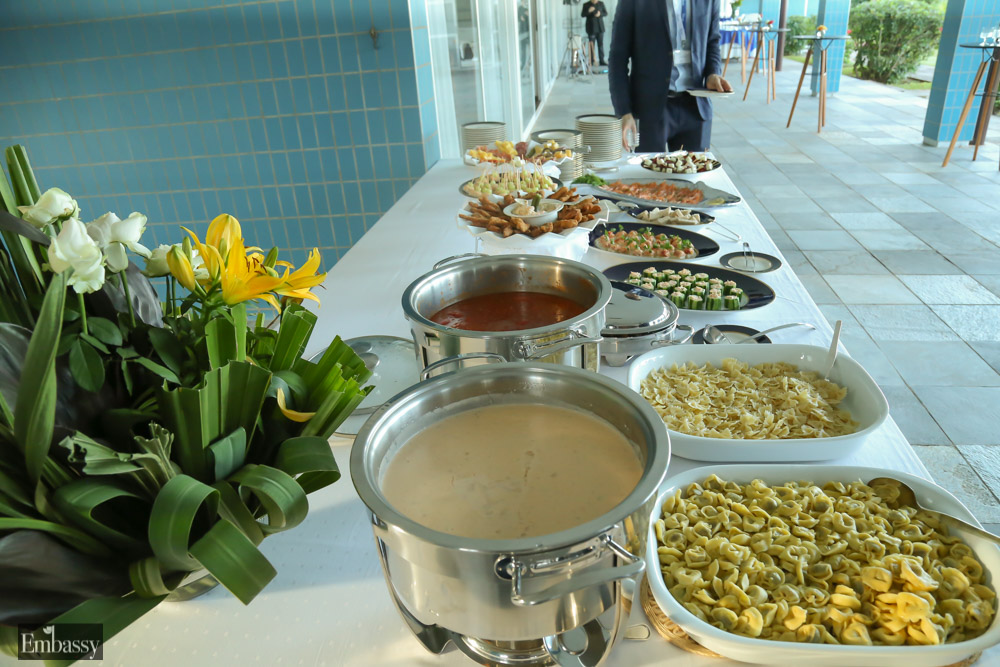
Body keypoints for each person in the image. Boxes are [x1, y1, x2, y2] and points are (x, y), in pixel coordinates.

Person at [608, 0, 733, 152]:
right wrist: (624, 111)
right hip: (650, 108)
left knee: (695, 167)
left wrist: (712, 73)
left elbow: (712, 41)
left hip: (696, 108)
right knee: (649, 168)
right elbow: (617, 57)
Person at [581, 0, 608, 67]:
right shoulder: (586, 5)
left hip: (600, 28)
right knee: (591, 45)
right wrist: (589, 11)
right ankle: (592, 61)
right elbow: (582, 15)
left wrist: (600, 14)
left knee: (600, 45)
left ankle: (602, 60)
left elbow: (605, 13)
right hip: (591, 28)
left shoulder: (601, 3)